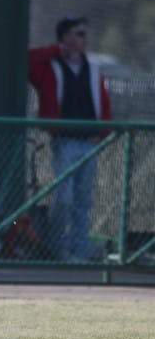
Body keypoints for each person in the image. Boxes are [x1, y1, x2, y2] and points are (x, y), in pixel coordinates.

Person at [28, 16, 112, 261]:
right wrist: (57, 50)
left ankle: (79, 252)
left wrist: (103, 134)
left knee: (83, 202)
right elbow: (28, 61)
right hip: (64, 142)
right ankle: (57, 249)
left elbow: (104, 104)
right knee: (64, 199)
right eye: (78, 34)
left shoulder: (93, 69)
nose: (84, 39)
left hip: (89, 143)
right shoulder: (51, 67)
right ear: (65, 38)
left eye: (85, 34)